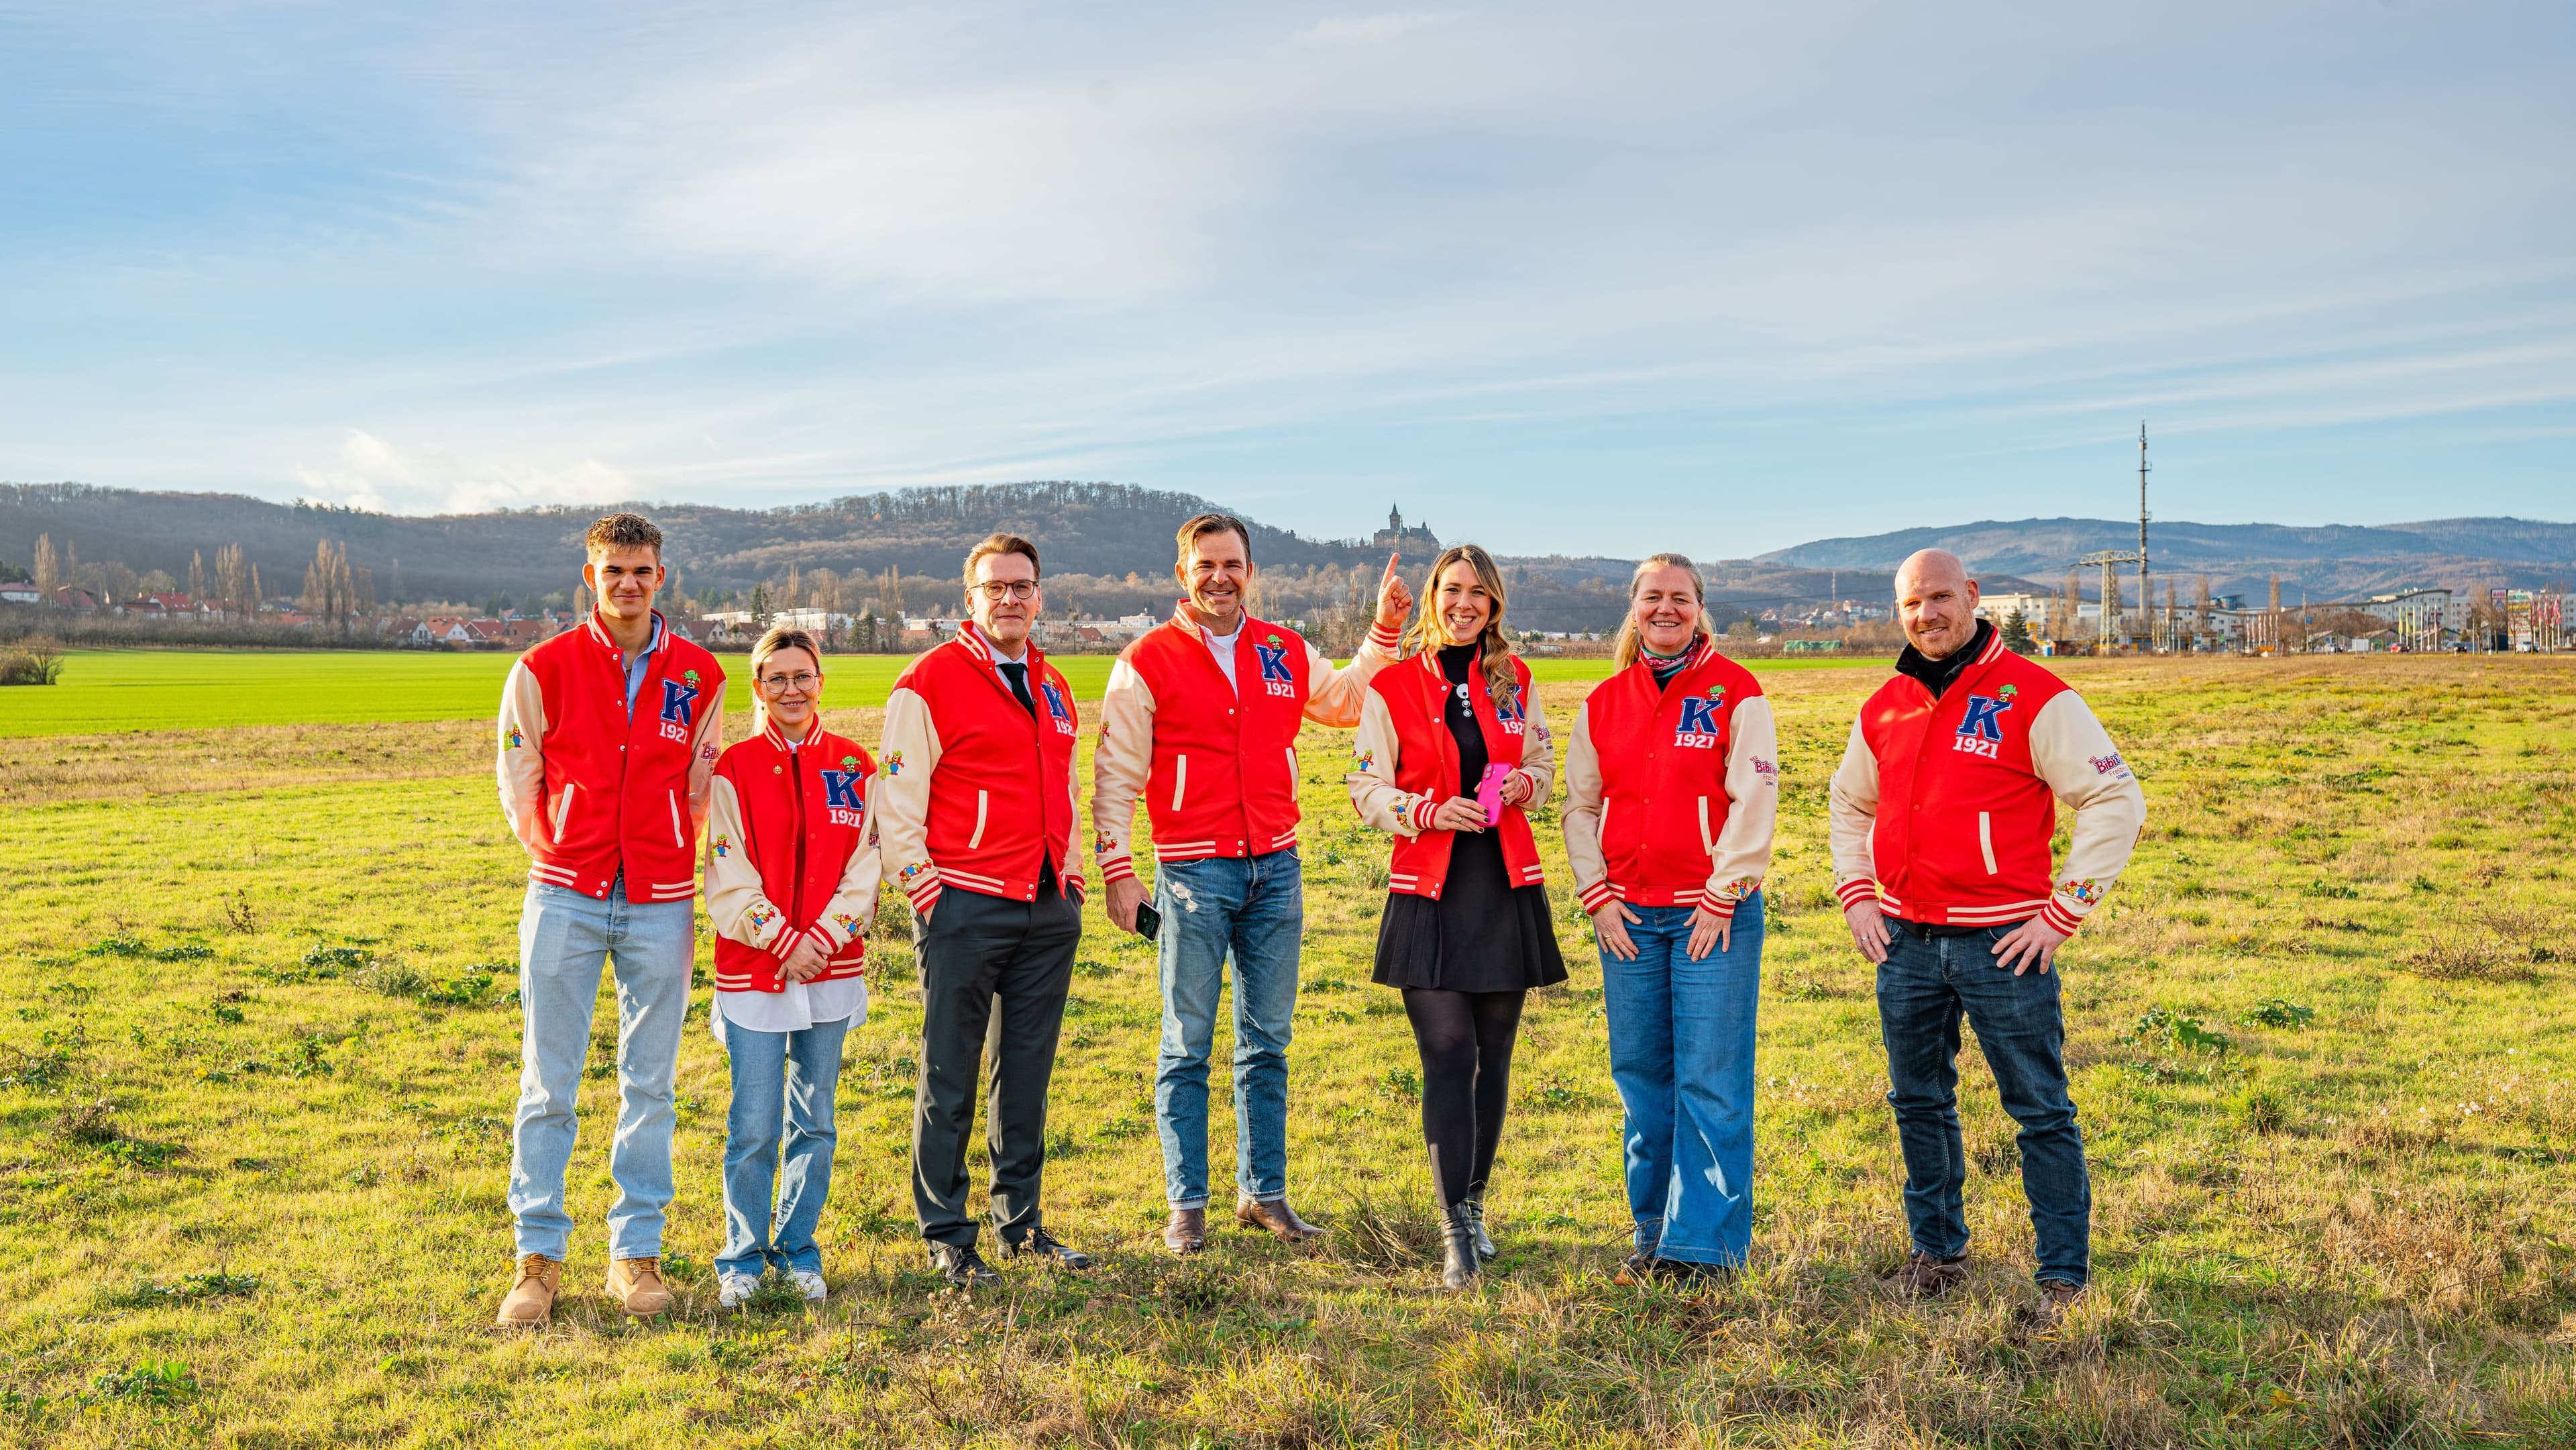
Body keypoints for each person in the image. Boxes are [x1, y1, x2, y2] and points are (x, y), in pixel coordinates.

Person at [1829, 548, 2145, 1324]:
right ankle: (1937, 1253)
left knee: (2039, 1108)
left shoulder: (2035, 695)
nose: (1926, 615)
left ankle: (2062, 1277)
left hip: (2004, 941)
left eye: (1940, 597)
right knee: (1918, 1101)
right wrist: (1858, 898)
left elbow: (2114, 797)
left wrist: (2062, 909)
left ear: (1972, 596)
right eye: (1911, 603)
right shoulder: (1886, 704)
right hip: (1903, 940)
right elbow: (1848, 803)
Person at [1093, 514, 1412, 1254]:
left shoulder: (1282, 649)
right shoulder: (1147, 659)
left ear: (1250, 569)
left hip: (1277, 867)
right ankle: (1187, 1203)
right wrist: (1118, 870)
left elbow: (1349, 700)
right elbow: (1115, 775)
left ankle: (1264, 1194)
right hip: (1193, 872)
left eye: (1232, 564)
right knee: (1187, 1041)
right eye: (1205, 565)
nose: (1220, 577)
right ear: (1183, 574)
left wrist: (1384, 630)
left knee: (1267, 1041)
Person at [492, 511, 727, 1325]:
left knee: (650, 1084)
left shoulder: (701, 675)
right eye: (613, 571)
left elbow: (703, 786)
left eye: (642, 571)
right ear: (589, 576)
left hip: (661, 900)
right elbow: (518, 772)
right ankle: (538, 1258)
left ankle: (636, 1253)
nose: (628, 584)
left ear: (662, 576)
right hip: (565, 893)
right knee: (547, 1080)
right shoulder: (541, 666)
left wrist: (667, 852)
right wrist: (560, 847)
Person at [875, 533, 1093, 1288]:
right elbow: (896, 798)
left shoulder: (1054, 682)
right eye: (994, 586)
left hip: (1044, 907)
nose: (1009, 598)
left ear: (1040, 596)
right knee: (950, 1072)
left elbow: (1063, 785)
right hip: (963, 903)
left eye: (1022, 586)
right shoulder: (928, 680)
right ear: (968, 598)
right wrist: (925, 890)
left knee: (1026, 1072)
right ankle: (947, 1232)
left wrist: (1068, 875)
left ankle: (1020, 1222)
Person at [1346, 544, 1564, 1290]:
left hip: (1504, 881)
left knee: (1493, 1056)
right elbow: (1365, 786)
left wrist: (1528, 787)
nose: (1464, 603)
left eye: (1478, 592)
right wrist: (1426, 809)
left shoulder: (1514, 678)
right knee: (1447, 1050)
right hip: (1429, 885)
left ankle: (1474, 1205)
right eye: (1451, 589)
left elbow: (1540, 760)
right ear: (1434, 597)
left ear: (1494, 604)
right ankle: (1452, 1236)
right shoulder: (1394, 685)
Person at [1560, 554, 1778, 1285]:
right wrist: (1598, 893)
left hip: (1709, 916)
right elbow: (1580, 807)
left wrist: (1722, 893)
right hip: (1627, 917)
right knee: (1643, 1081)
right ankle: (1652, 1234)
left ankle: (1706, 1249)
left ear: (1699, 607)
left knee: (1710, 1081)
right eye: (1652, 596)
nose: (1665, 609)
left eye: (1679, 598)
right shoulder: (1603, 701)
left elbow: (1754, 802)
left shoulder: (1735, 693)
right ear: (1632, 607)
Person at [702, 625, 879, 1308]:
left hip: (831, 971)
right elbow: (727, 869)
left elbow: (868, 863)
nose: (791, 689)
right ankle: (742, 1255)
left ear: (820, 681)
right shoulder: (735, 769)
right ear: (759, 688)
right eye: (776, 678)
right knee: (753, 1123)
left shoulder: (855, 765)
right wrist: (782, 939)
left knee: (817, 1120)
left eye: (802, 675)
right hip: (756, 973)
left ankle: (799, 1247)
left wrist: (826, 936)